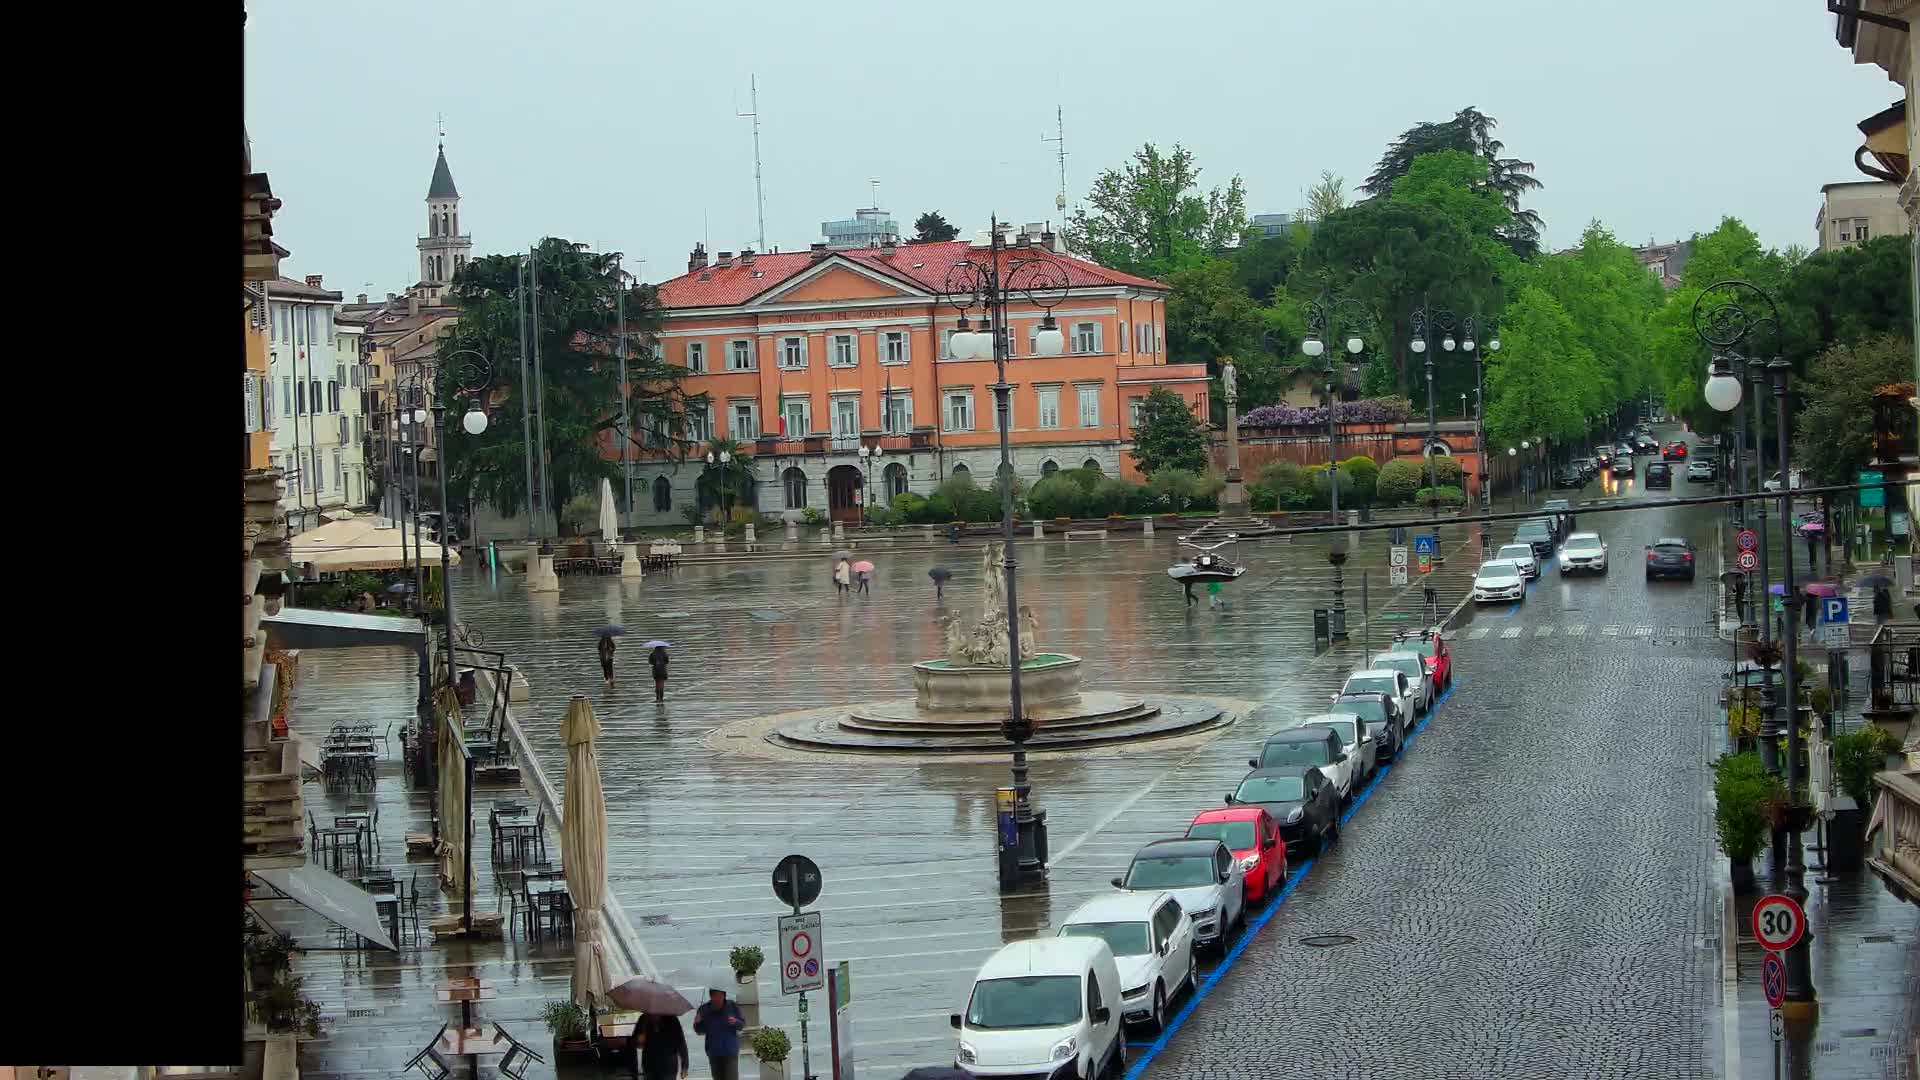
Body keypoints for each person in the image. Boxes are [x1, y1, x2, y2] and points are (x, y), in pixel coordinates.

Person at [691, 986, 745, 1080]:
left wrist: (735, 1022)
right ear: (711, 997)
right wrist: (697, 1023)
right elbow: (699, 1031)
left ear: (724, 996)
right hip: (713, 1052)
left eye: (720, 996)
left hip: (730, 1051)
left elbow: (742, 1025)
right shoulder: (704, 1009)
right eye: (715, 997)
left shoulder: (731, 1006)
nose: (718, 1000)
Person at [634, 1012, 689, 1080]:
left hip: (669, 1066)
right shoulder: (643, 1019)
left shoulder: (672, 1019)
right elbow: (636, 1043)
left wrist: (685, 1066)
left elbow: (681, 1042)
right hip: (650, 1065)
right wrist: (638, 1041)